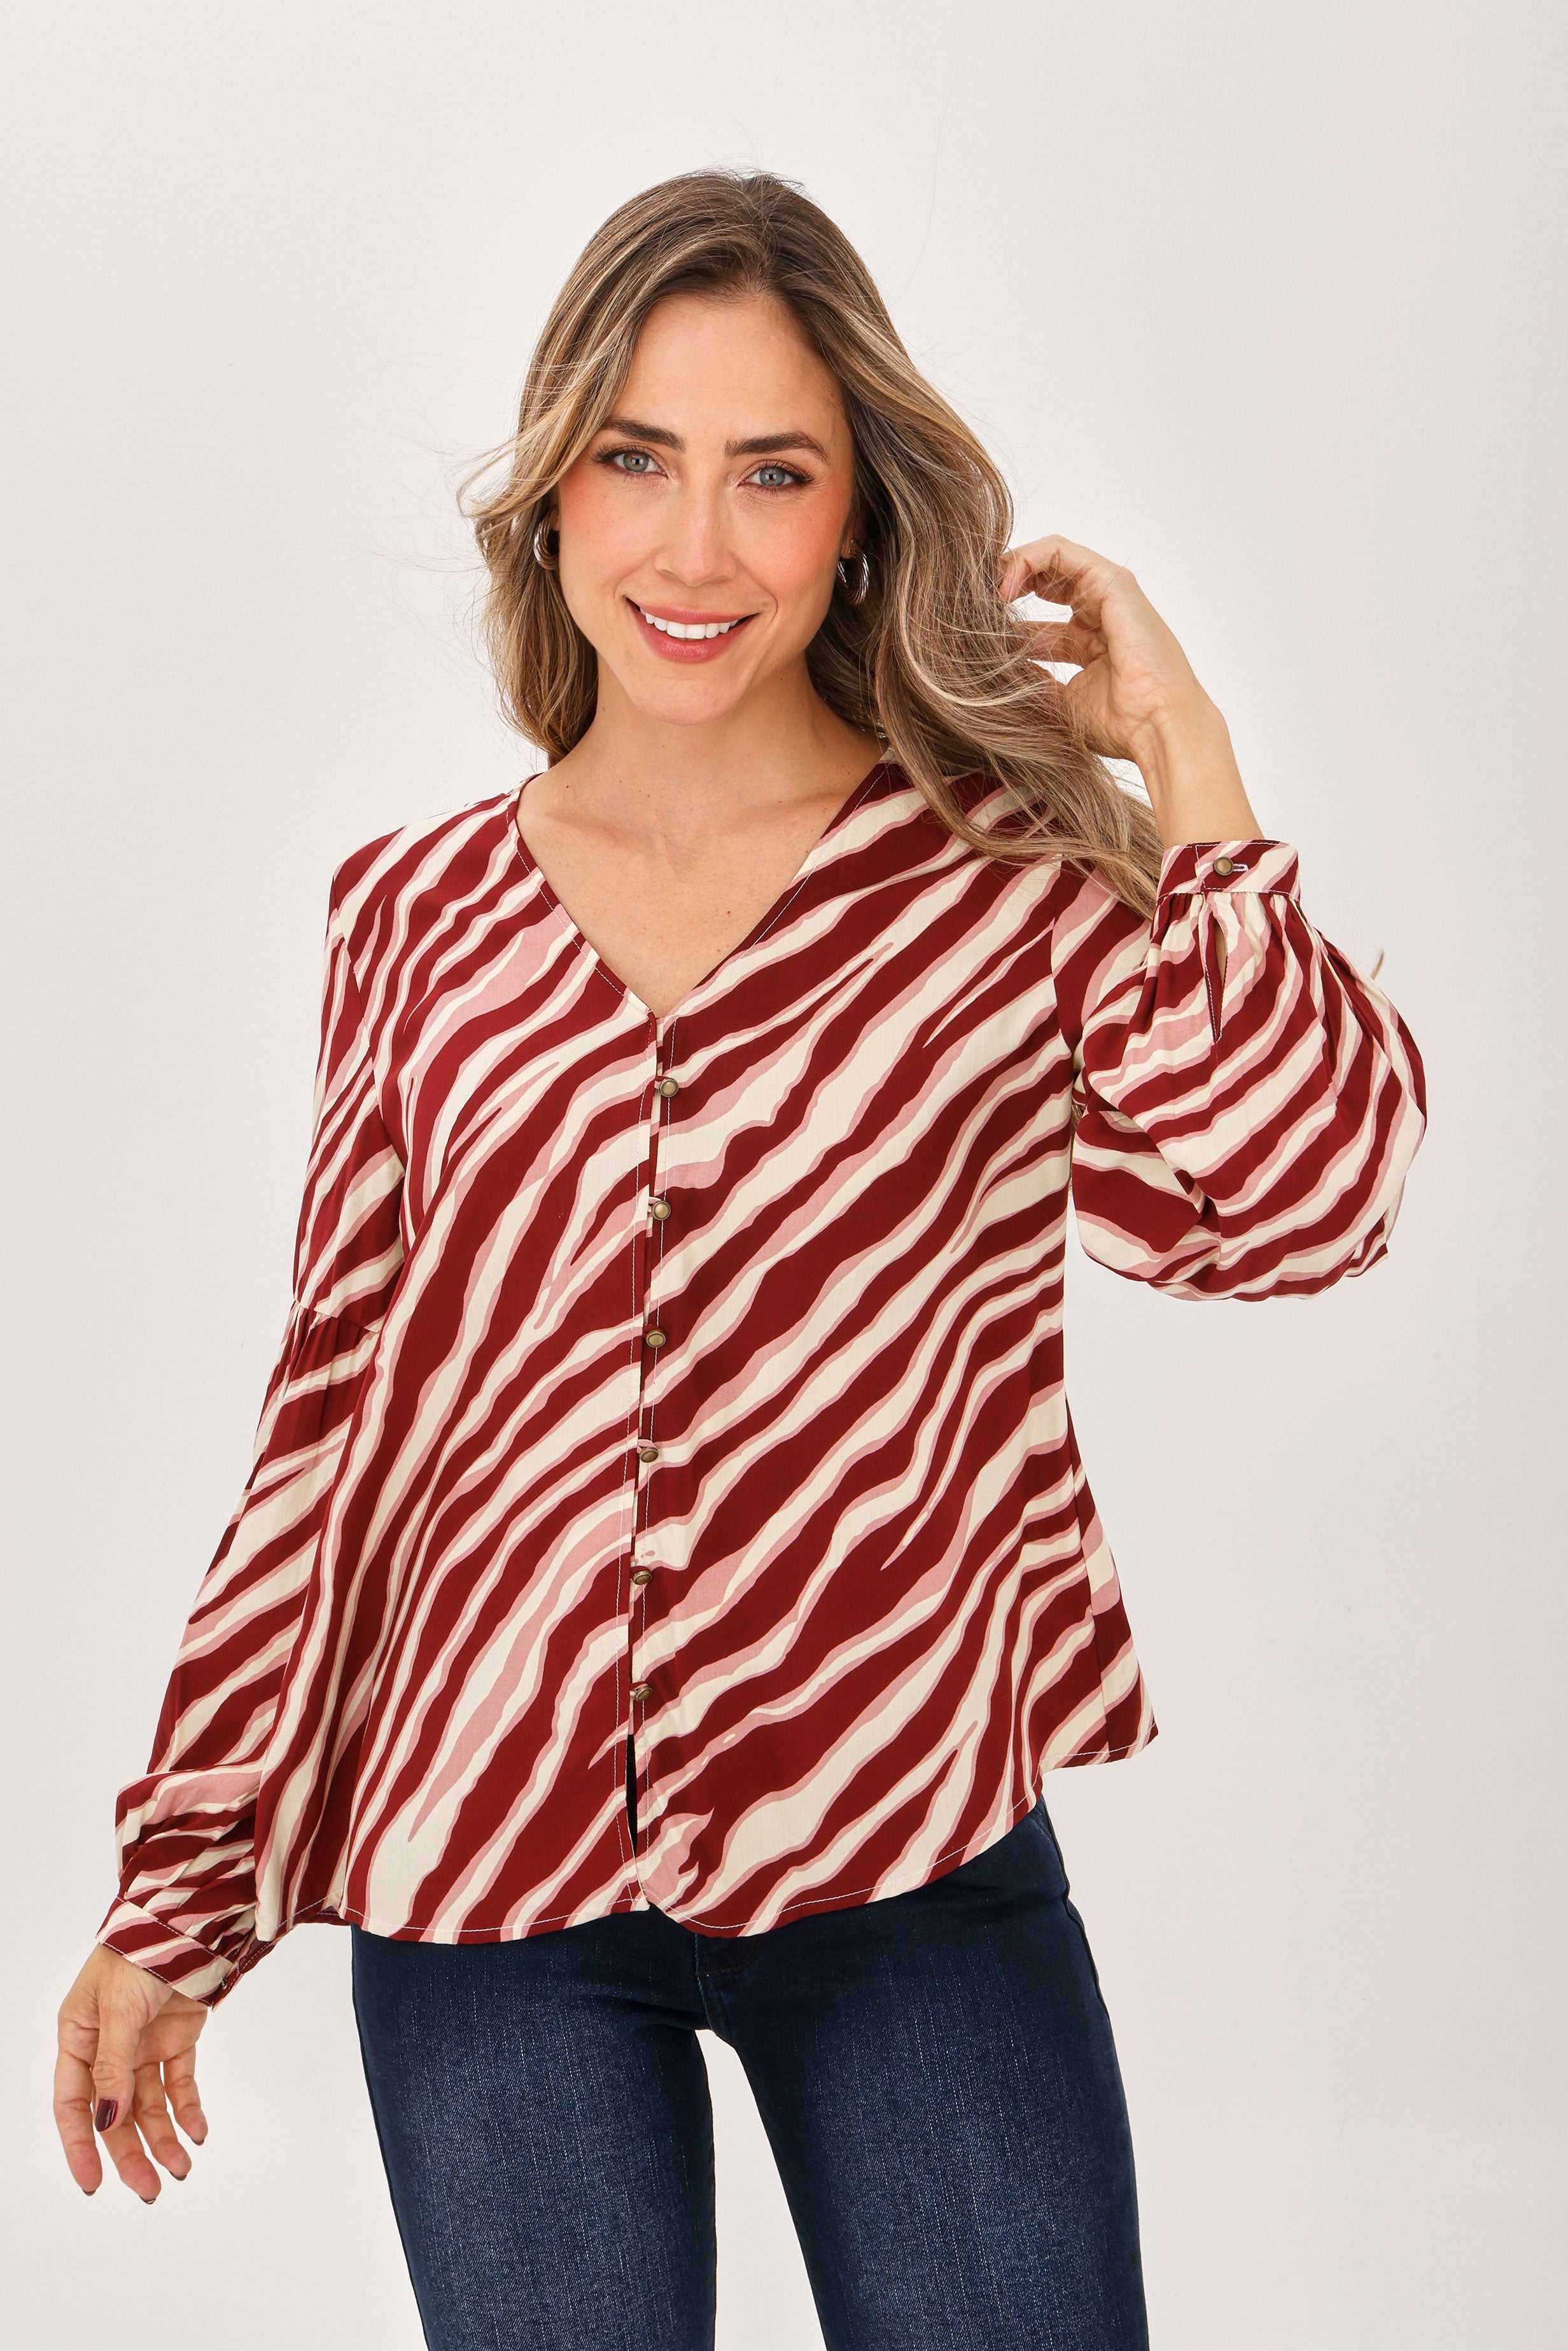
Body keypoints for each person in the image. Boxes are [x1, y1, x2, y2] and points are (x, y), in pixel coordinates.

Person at [52, 167, 1426, 2350]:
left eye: (772, 473)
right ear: (554, 494)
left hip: (911, 1859)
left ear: (860, 513)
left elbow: (1308, 1202)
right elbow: (331, 1437)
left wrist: (1187, 763)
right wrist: (182, 1893)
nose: (696, 550)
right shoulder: (412, 919)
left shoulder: (999, 890)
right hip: (484, 1888)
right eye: (639, 459)